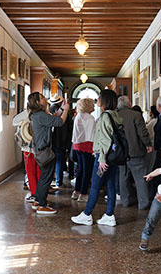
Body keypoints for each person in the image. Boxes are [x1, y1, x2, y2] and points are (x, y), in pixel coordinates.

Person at [71, 89, 120, 227]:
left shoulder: (105, 117)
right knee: (110, 185)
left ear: (104, 101)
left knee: (95, 186)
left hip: (103, 157)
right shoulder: (115, 115)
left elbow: (105, 139)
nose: (96, 99)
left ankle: (86, 214)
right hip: (113, 156)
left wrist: (102, 158)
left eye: (99, 97)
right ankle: (109, 215)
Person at [27, 92, 70, 214]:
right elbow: (59, 122)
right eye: (42, 98)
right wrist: (66, 110)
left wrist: (61, 108)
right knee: (46, 178)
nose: (45, 99)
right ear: (37, 102)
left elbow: (53, 118)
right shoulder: (41, 115)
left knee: (43, 177)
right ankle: (42, 205)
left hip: (39, 150)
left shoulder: (37, 115)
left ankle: (38, 201)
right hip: (44, 150)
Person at [117, 96, 152, 210]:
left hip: (120, 153)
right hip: (135, 151)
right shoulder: (136, 115)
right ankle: (143, 203)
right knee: (140, 178)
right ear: (129, 104)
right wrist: (148, 144)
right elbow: (142, 132)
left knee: (123, 177)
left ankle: (125, 201)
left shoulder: (114, 116)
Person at [12, 110, 41, 203]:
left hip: (27, 147)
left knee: (31, 171)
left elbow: (14, 121)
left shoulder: (26, 113)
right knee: (39, 171)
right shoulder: (44, 114)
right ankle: (40, 194)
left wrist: (24, 121)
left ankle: (34, 193)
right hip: (39, 147)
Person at [71, 98, 96, 202]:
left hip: (77, 145)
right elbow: (92, 135)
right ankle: (83, 193)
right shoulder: (89, 118)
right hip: (87, 145)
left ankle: (76, 191)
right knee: (87, 171)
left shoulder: (78, 116)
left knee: (80, 169)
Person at [49, 94, 73, 190]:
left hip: (51, 140)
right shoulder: (65, 112)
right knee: (59, 161)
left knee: (50, 161)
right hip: (62, 140)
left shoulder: (49, 110)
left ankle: (51, 180)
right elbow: (70, 127)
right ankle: (59, 181)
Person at [146, 105, 160, 172]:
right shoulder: (152, 120)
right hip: (152, 143)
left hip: (152, 143)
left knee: (150, 162)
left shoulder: (154, 121)